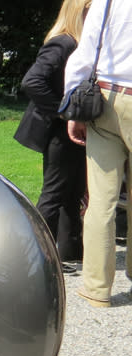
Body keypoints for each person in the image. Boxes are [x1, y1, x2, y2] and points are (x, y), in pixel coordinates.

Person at [64, 0, 132, 308]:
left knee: (101, 201)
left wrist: (73, 107)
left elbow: (85, 53)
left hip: (105, 97)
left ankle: (96, 289)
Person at [14, 0, 90, 274]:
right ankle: (35, 256)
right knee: (55, 193)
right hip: (58, 130)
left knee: (73, 190)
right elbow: (32, 81)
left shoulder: (75, 43)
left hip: (68, 129)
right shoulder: (64, 43)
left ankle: (69, 252)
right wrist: (64, 112)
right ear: (80, 12)